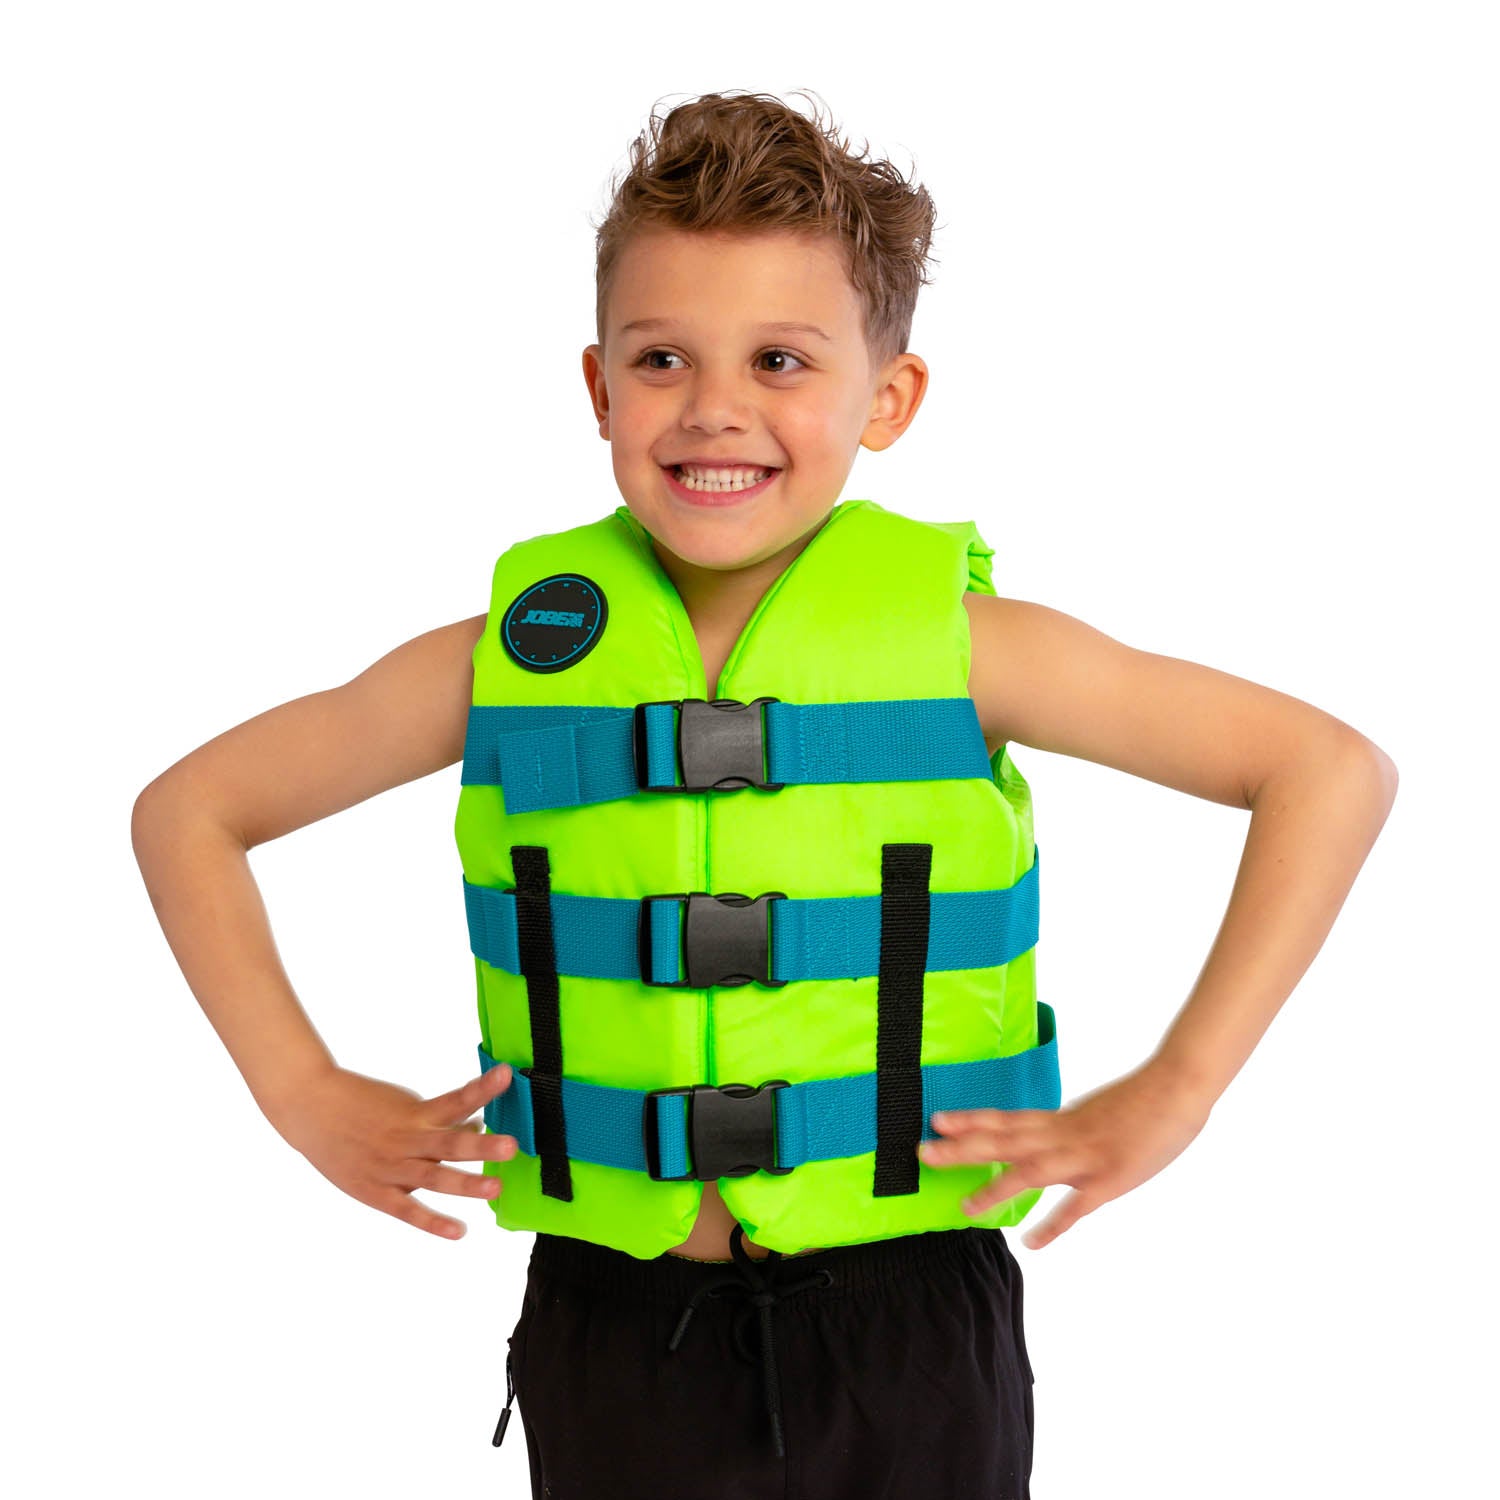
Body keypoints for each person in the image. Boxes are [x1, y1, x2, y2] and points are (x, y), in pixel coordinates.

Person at [132, 89, 1398, 1500]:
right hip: (616, 1327)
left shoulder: (979, 649)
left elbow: (1325, 769)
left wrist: (1180, 1089)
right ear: (599, 388)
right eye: (661, 358)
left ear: (888, 398)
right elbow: (190, 811)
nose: (714, 409)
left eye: (780, 360)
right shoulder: (505, 662)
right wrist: (300, 1091)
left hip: (907, 1327)